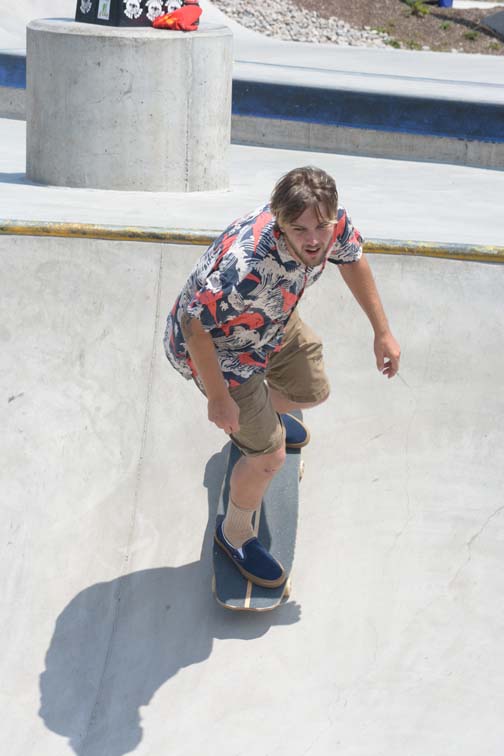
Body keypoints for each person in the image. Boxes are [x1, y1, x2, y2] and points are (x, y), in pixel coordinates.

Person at [164, 166, 400, 588]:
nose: (314, 241)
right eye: (300, 230)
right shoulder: (243, 265)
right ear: (280, 223)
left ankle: (256, 422)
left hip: (271, 319)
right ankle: (235, 533)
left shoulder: (331, 223)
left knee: (313, 390)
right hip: (220, 352)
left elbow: (353, 259)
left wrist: (381, 331)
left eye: (321, 227)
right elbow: (192, 323)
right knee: (269, 458)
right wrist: (218, 397)